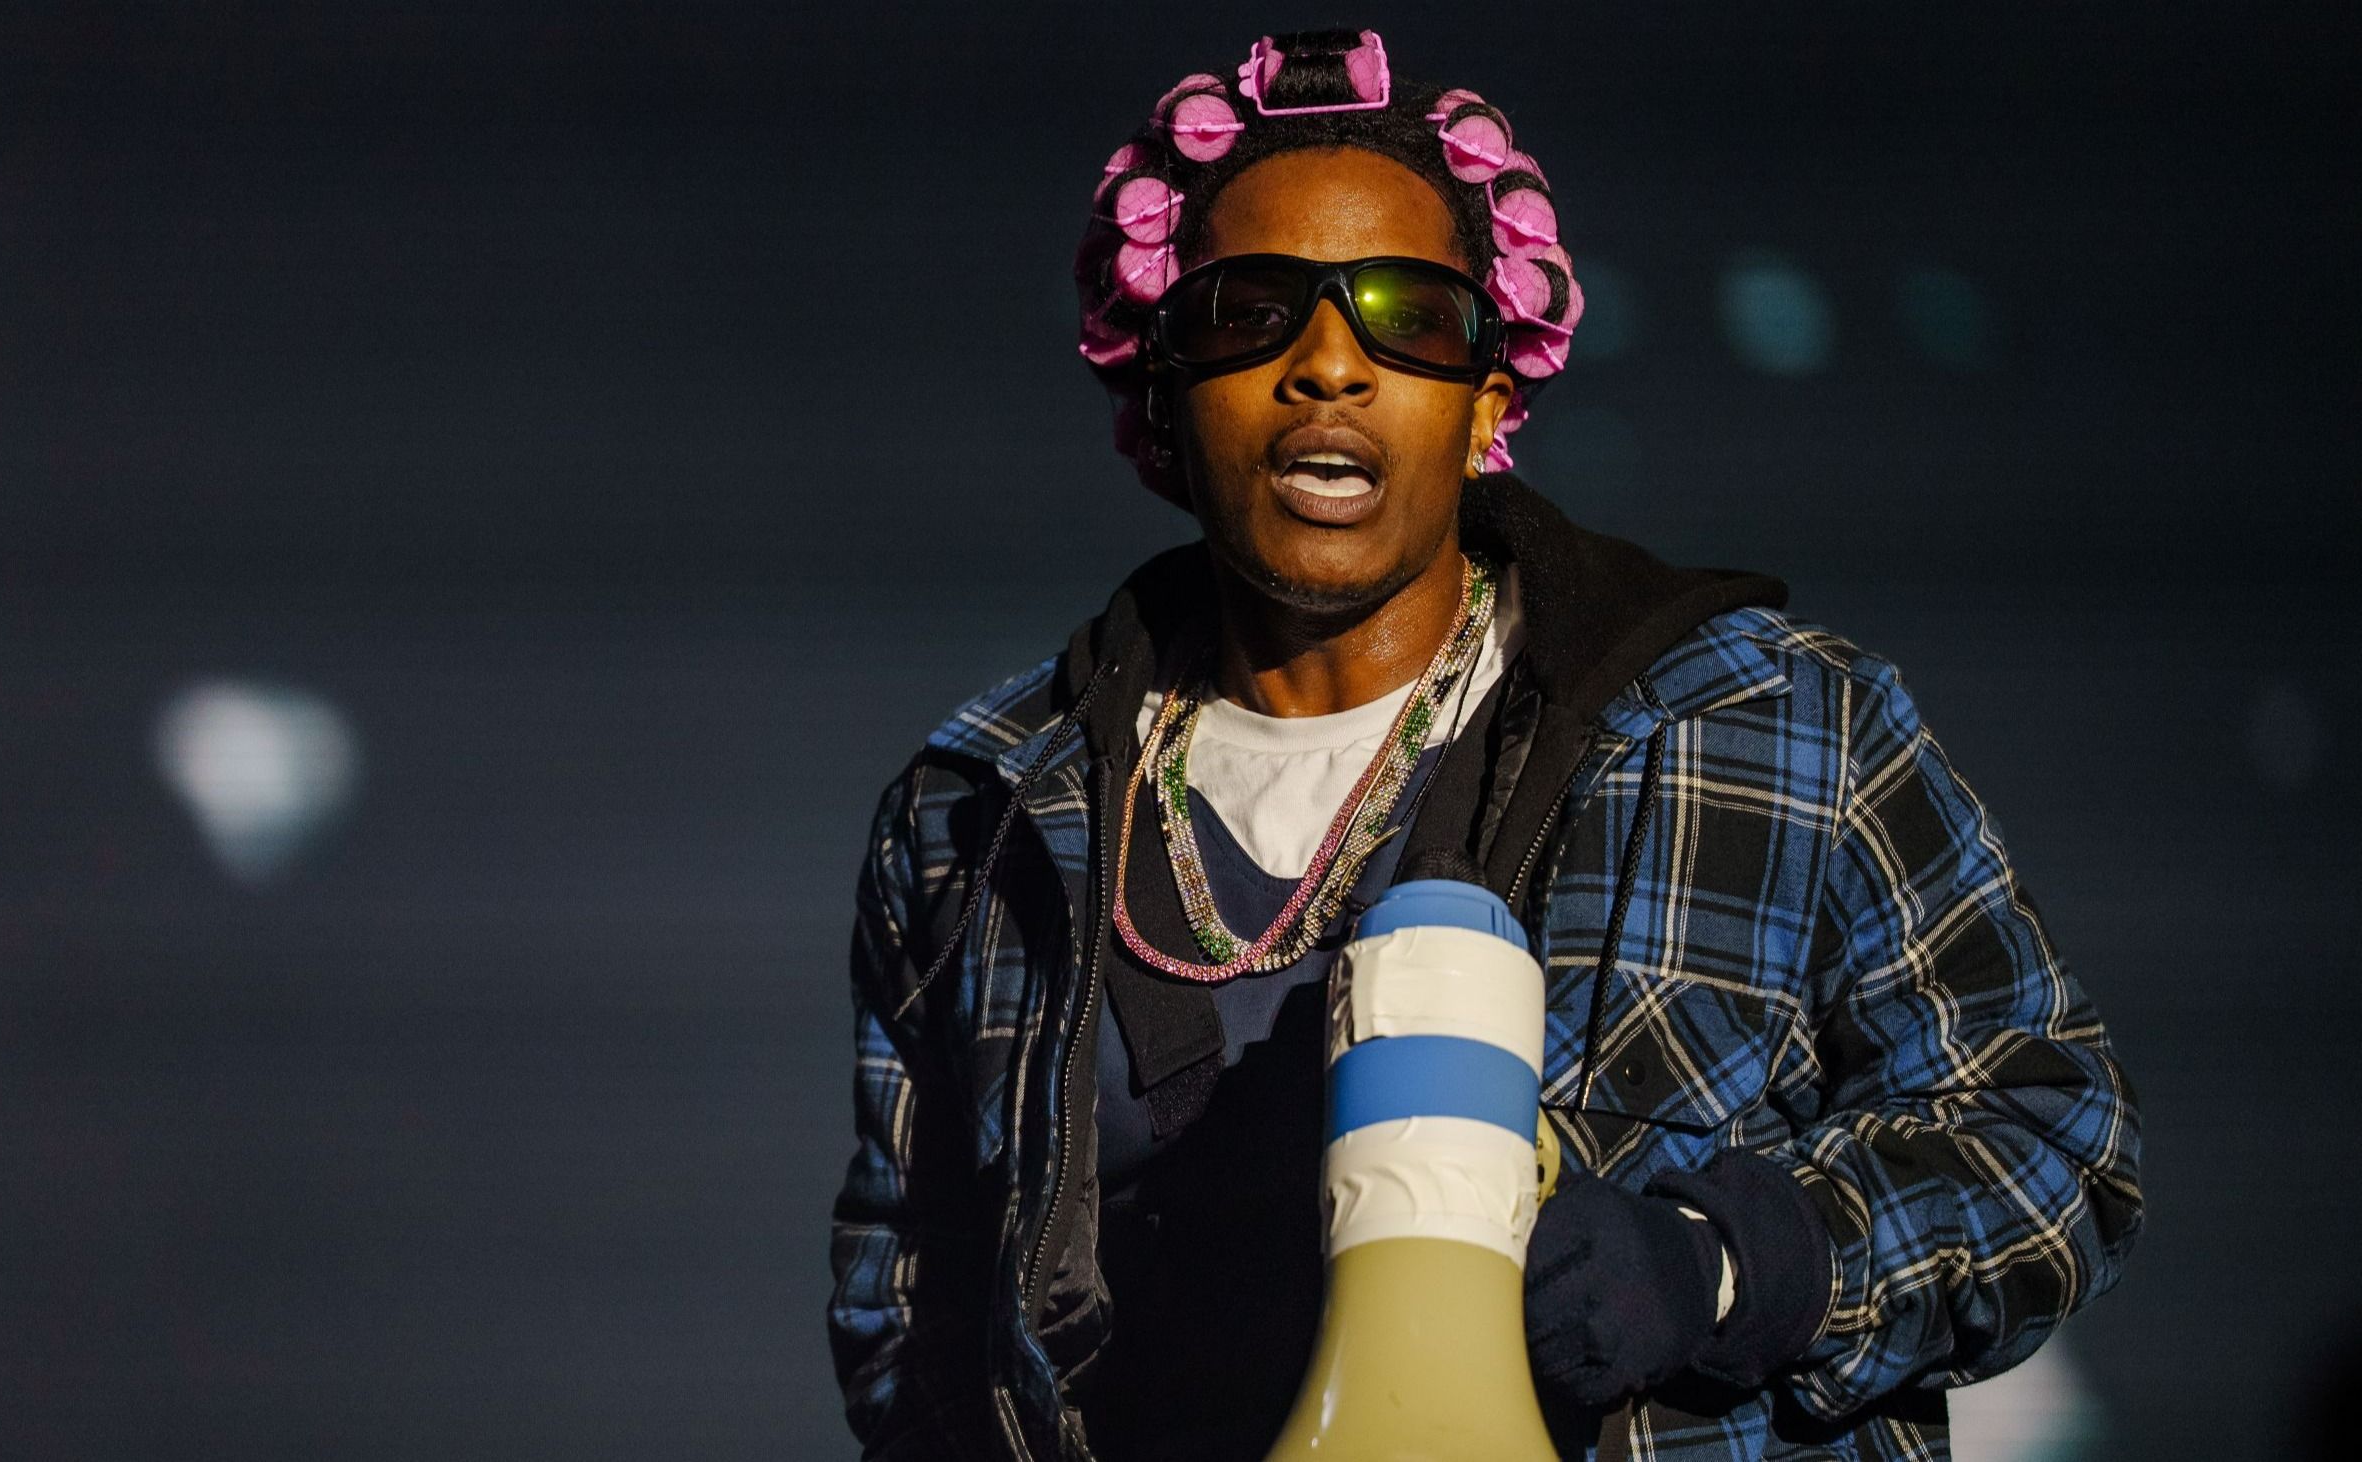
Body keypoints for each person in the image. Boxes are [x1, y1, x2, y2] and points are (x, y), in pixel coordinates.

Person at [827, 27, 2143, 1462]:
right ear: (1161, 384)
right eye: (1248, 309)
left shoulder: (1768, 725)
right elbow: (904, 1295)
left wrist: (1720, 1264)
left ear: (1491, 400)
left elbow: (2051, 1131)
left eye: (1412, 315)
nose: (1329, 364)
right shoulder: (980, 815)